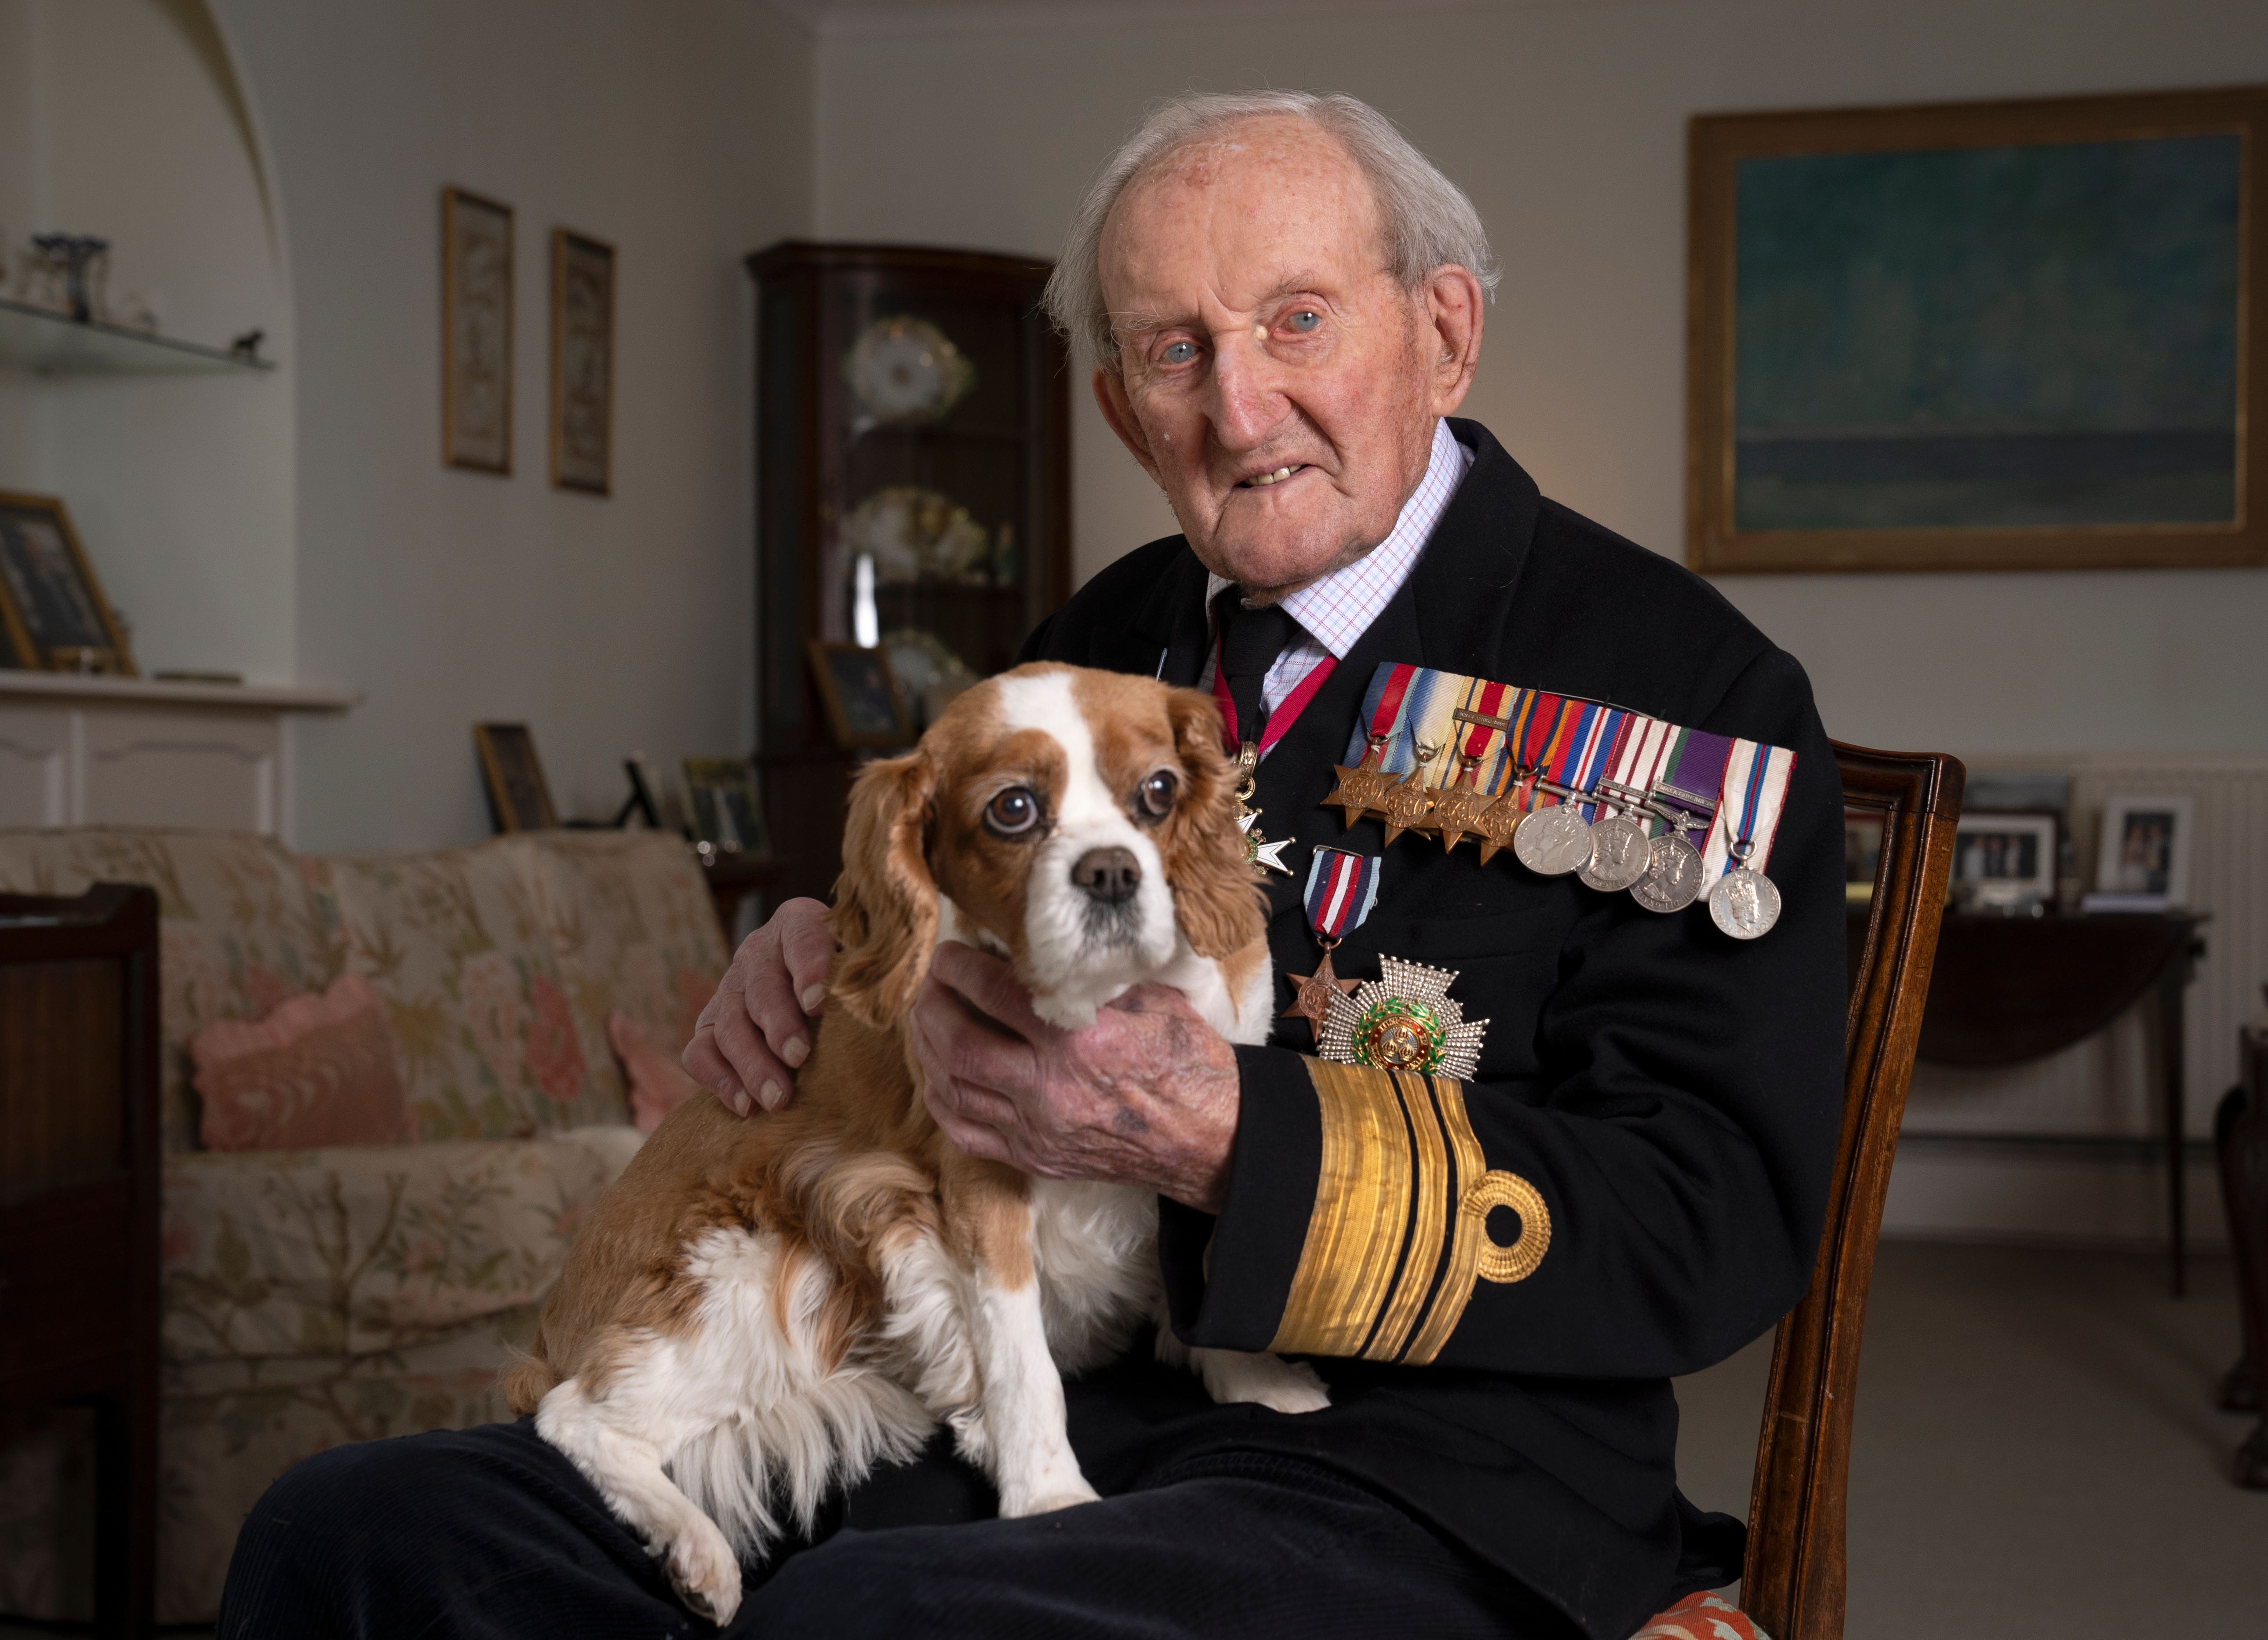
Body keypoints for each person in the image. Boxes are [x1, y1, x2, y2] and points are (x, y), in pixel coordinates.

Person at [222, 90, 1844, 1640]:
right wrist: (830, 939)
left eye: (1296, 321)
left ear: (1441, 329)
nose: (1237, 404)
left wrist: (1233, 1139)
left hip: (1421, 1462)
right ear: (1117, 403)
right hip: (1002, 1401)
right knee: (355, 1533)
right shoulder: (1103, 632)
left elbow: (1711, 1220)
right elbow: (944, 935)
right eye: (1172, 350)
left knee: (877, 1628)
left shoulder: (1681, 687)